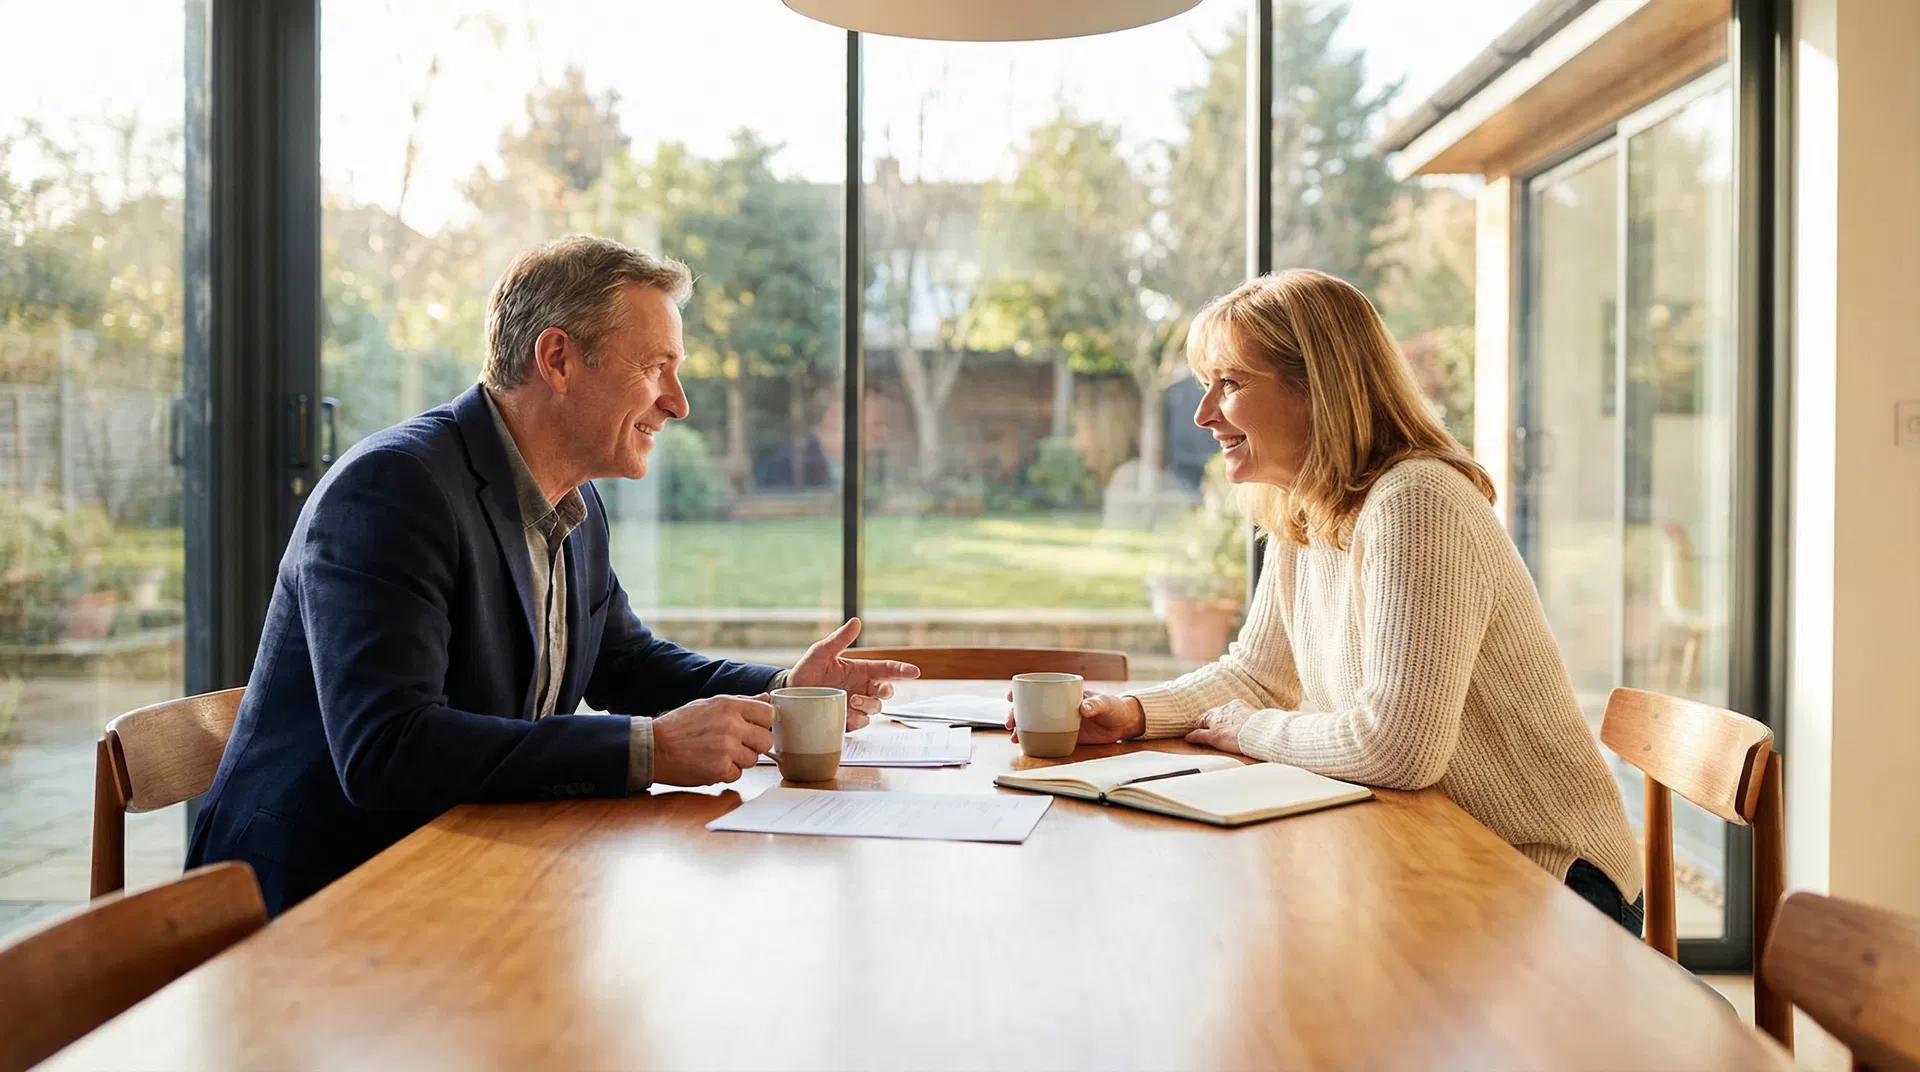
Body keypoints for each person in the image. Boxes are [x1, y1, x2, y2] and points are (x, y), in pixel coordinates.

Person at [189, 235, 917, 916]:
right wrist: (651, 750)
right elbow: (388, 751)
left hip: (464, 867)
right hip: (318, 901)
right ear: (559, 359)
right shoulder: (393, 491)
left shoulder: (573, 497)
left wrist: (786, 693)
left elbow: (624, 661)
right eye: (654, 367)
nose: (677, 402)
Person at [1034, 269, 1644, 933]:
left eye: (1230, 384)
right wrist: (1130, 713)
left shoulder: (1416, 502)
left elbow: (1400, 749)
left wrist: (1250, 731)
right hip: (1419, 852)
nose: (1204, 413)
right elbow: (1256, 676)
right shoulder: (1308, 504)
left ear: (1315, 389)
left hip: (1544, 876)